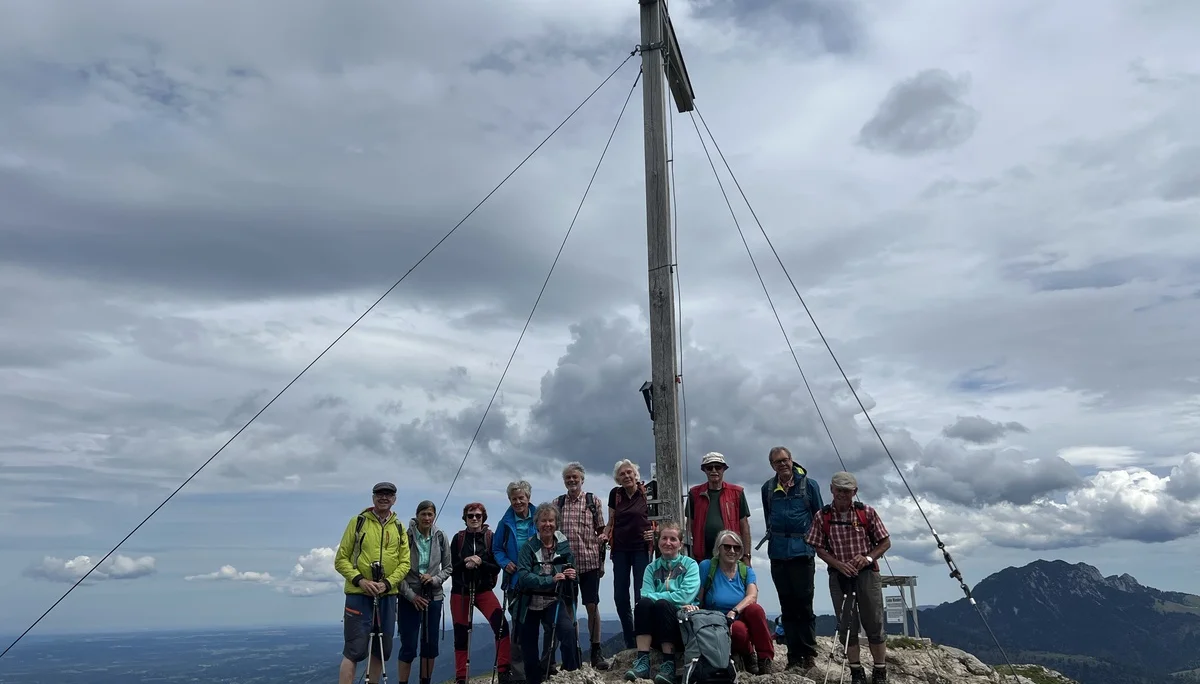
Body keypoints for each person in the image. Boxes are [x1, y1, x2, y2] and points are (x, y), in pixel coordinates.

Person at [804, 472, 892, 684]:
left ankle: (879, 671)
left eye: (847, 491)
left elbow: (885, 542)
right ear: (831, 489)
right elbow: (818, 548)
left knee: (874, 622)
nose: (842, 494)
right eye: (839, 490)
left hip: (867, 573)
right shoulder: (822, 516)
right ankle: (856, 672)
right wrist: (838, 565)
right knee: (847, 625)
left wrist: (868, 557)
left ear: (855, 492)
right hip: (839, 576)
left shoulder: (866, 512)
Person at [333, 482, 411, 684]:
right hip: (358, 594)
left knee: (381, 649)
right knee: (354, 649)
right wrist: (360, 580)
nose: (384, 497)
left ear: (394, 499)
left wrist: (387, 583)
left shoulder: (399, 527)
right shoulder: (358, 522)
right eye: (379, 494)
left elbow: (405, 563)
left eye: (388, 494)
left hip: (387, 595)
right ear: (373, 497)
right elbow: (341, 560)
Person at [758, 445, 824, 671]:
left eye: (785, 460)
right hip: (778, 553)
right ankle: (794, 656)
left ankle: (808, 654)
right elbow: (769, 518)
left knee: (804, 604)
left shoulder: (809, 485)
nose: (783, 464)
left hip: (802, 552)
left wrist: (817, 547)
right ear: (772, 465)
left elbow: (819, 517)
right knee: (787, 605)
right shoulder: (768, 489)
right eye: (777, 462)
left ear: (792, 460)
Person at [623, 521, 700, 684]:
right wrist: (671, 599)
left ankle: (669, 664)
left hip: (681, 630)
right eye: (664, 538)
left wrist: (659, 598)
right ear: (658, 542)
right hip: (657, 630)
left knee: (662, 605)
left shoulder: (690, 565)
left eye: (673, 539)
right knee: (643, 604)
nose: (668, 543)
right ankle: (642, 661)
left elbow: (685, 596)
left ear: (680, 544)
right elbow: (645, 594)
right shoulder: (651, 568)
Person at [513, 502, 580, 684]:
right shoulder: (528, 547)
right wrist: (550, 580)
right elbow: (523, 576)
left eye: (551, 520)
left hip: (553, 601)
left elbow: (572, 570)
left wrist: (572, 575)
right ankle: (534, 680)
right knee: (529, 647)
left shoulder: (563, 546)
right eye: (543, 521)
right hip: (529, 602)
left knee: (568, 632)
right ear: (536, 523)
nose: (547, 524)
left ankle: (572, 676)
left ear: (556, 523)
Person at [448, 502, 514, 684]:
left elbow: (496, 567)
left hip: (483, 590)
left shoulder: (490, 538)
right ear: (465, 518)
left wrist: (480, 562)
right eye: (470, 516)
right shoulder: (458, 538)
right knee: (461, 634)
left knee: (501, 626)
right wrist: (466, 562)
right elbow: (450, 568)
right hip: (460, 591)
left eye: (478, 515)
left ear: (484, 517)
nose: (474, 518)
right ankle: (461, 678)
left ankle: (503, 671)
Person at [555, 462, 610, 670]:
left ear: (582, 480)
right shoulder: (558, 503)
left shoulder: (592, 501)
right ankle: (573, 653)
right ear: (564, 481)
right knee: (569, 608)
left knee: (592, 606)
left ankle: (596, 651)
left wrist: (602, 563)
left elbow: (601, 533)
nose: (571, 480)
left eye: (575, 477)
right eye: (568, 478)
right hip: (566, 565)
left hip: (590, 562)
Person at [696, 530, 774, 674]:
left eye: (736, 548)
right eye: (727, 547)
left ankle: (765, 660)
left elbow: (752, 596)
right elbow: (698, 598)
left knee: (756, 610)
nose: (732, 551)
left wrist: (734, 611)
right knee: (738, 631)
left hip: (738, 616)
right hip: (716, 621)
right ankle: (747, 653)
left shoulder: (745, 571)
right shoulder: (707, 567)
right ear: (718, 549)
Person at [397, 500, 452, 684]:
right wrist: (411, 596)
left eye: (430, 514)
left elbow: (448, 567)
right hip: (409, 597)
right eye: (423, 514)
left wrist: (435, 579)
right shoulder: (406, 537)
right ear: (417, 515)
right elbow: (397, 571)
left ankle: (425, 681)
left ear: (434, 516)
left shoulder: (441, 536)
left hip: (433, 595)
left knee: (430, 646)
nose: (427, 518)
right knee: (408, 646)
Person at [604, 459, 654, 649]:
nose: (626, 476)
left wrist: (654, 532)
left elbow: (657, 520)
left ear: (635, 475)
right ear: (618, 479)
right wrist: (605, 534)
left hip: (641, 549)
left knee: (641, 596)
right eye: (622, 474)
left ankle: (643, 641)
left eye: (629, 472)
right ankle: (630, 642)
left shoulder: (646, 493)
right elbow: (610, 522)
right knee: (620, 597)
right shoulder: (615, 494)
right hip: (620, 550)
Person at [494, 480, 538, 683]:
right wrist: (505, 563)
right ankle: (520, 675)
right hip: (515, 582)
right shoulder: (504, 523)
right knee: (519, 628)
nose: (518, 502)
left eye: (521, 498)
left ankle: (543, 668)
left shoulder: (540, 517)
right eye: (514, 499)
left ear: (528, 498)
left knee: (546, 625)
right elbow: (497, 549)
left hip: (539, 579)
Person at [685, 452, 751, 564]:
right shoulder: (694, 493)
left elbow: (744, 526)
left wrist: (746, 556)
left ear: (724, 469)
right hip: (701, 557)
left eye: (718, 467)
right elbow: (689, 526)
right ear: (704, 470)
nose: (714, 470)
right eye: (709, 467)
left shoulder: (737, 493)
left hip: (731, 556)